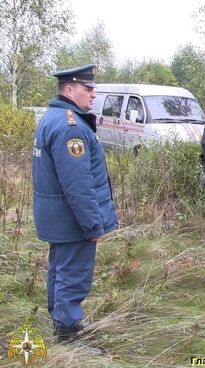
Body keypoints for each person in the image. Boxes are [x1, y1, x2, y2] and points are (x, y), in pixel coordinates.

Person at [31, 64, 118, 343]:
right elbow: (78, 186)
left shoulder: (54, 117)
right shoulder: (71, 127)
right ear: (69, 89)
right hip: (72, 220)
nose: (93, 95)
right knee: (73, 274)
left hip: (57, 216)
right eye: (87, 88)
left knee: (60, 270)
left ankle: (62, 320)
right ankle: (69, 335)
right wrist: (93, 225)